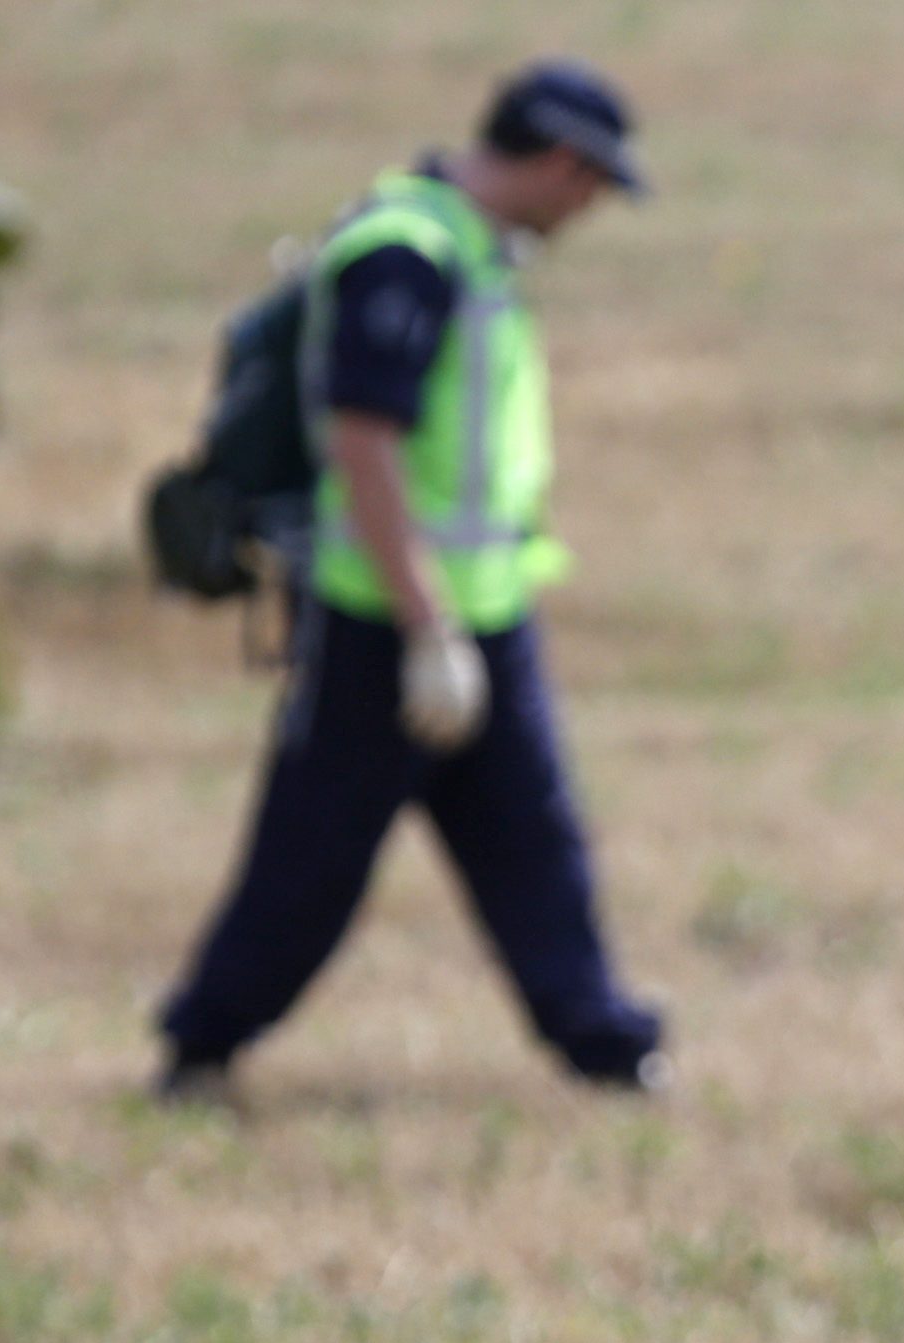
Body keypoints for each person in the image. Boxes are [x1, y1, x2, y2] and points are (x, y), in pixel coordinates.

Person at [154, 61, 665, 1102]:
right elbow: (361, 441)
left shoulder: (470, 250)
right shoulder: (407, 254)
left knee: (534, 838)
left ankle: (607, 1047)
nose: (589, 208)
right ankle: (202, 1044)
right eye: (592, 184)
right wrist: (425, 625)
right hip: (378, 615)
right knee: (314, 854)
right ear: (560, 162)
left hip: (482, 612)